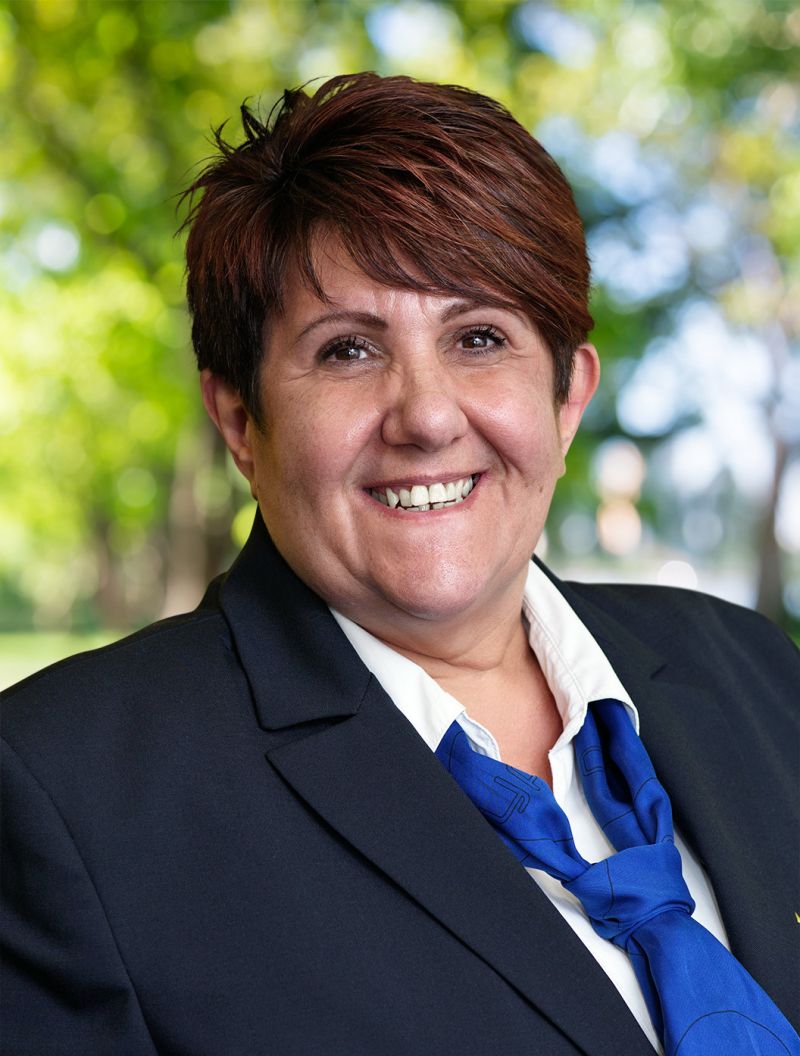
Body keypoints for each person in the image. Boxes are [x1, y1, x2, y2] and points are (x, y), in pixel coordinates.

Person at [1, 73, 797, 1056]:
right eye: (347, 351)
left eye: (479, 338)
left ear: (566, 399)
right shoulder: (62, 791)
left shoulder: (755, 671)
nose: (425, 416)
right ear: (240, 420)